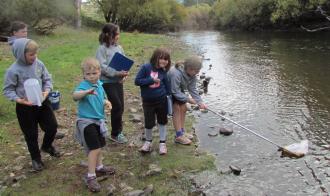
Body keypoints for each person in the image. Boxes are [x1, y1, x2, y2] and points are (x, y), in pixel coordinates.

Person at [3, 38, 60, 171]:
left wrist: (47, 91)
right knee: (31, 134)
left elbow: (47, 79)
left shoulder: (39, 64)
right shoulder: (13, 70)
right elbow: (8, 90)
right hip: (25, 107)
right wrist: (19, 100)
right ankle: (36, 158)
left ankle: (47, 146)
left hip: (42, 102)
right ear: (20, 54)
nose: (34, 57)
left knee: (52, 126)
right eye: (31, 55)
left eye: (36, 54)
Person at [73, 57, 115, 192]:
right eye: (88, 74)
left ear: (99, 72)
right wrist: (86, 92)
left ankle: (99, 167)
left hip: (98, 120)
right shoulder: (84, 85)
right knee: (94, 148)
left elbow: (101, 99)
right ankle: (91, 176)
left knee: (100, 146)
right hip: (86, 122)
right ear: (84, 75)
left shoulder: (99, 85)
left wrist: (106, 102)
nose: (91, 77)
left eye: (94, 73)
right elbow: (75, 96)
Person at [96, 23, 128, 144]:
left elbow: (124, 62)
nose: (118, 36)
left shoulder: (119, 48)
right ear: (109, 35)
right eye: (117, 33)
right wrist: (116, 73)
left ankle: (118, 131)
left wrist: (124, 74)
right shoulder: (102, 49)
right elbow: (102, 67)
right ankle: (115, 133)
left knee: (121, 107)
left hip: (118, 82)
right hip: (106, 82)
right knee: (117, 105)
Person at [135, 48, 171, 155]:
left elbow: (167, 85)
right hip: (148, 101)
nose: (164, 61)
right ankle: (148, 142)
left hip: (162, 100)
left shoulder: (164, 71)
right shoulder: (146, 67)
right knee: (149, 122)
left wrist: (170, 97)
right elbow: (137, 81)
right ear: (156, 57)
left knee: (162, 121)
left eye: (166, 59)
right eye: (162, 58)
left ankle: (162, 143)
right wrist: (151, 80)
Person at [167, 56, 207, 145]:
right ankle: (178, 136)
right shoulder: (175, 73)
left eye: (198, 71)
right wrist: (188, 99)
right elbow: (174, 91)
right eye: (196, 71)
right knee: (177, 109)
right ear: (189, 68)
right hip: (167, 91)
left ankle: (182, 131)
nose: (197, 73)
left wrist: (200, 102)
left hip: (177, 90)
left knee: (184, 108)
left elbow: (192, 89)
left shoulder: (192, 75)